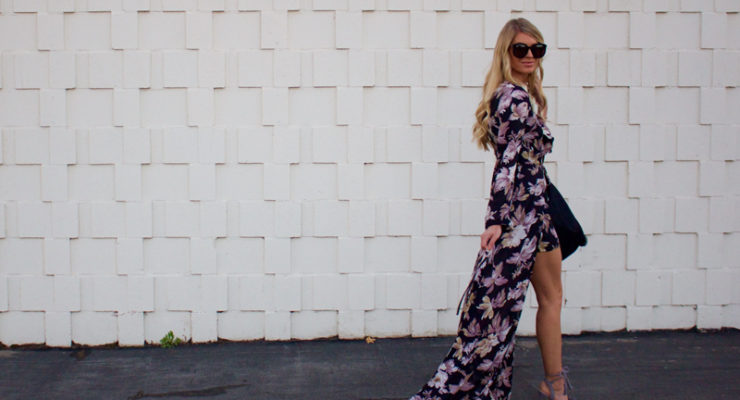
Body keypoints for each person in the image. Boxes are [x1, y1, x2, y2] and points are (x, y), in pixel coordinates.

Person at [409, 18, 575, 400]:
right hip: (522, 219)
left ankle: (555, 384)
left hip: (538, 215)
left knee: (551, 298)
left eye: (537, 49)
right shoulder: (513, 98)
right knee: (527, 304)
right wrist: (496, 220)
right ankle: (554, 386)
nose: (530, 55)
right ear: (506, 53)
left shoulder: (514, 95)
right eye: (521, 49)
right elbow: (508, 162)